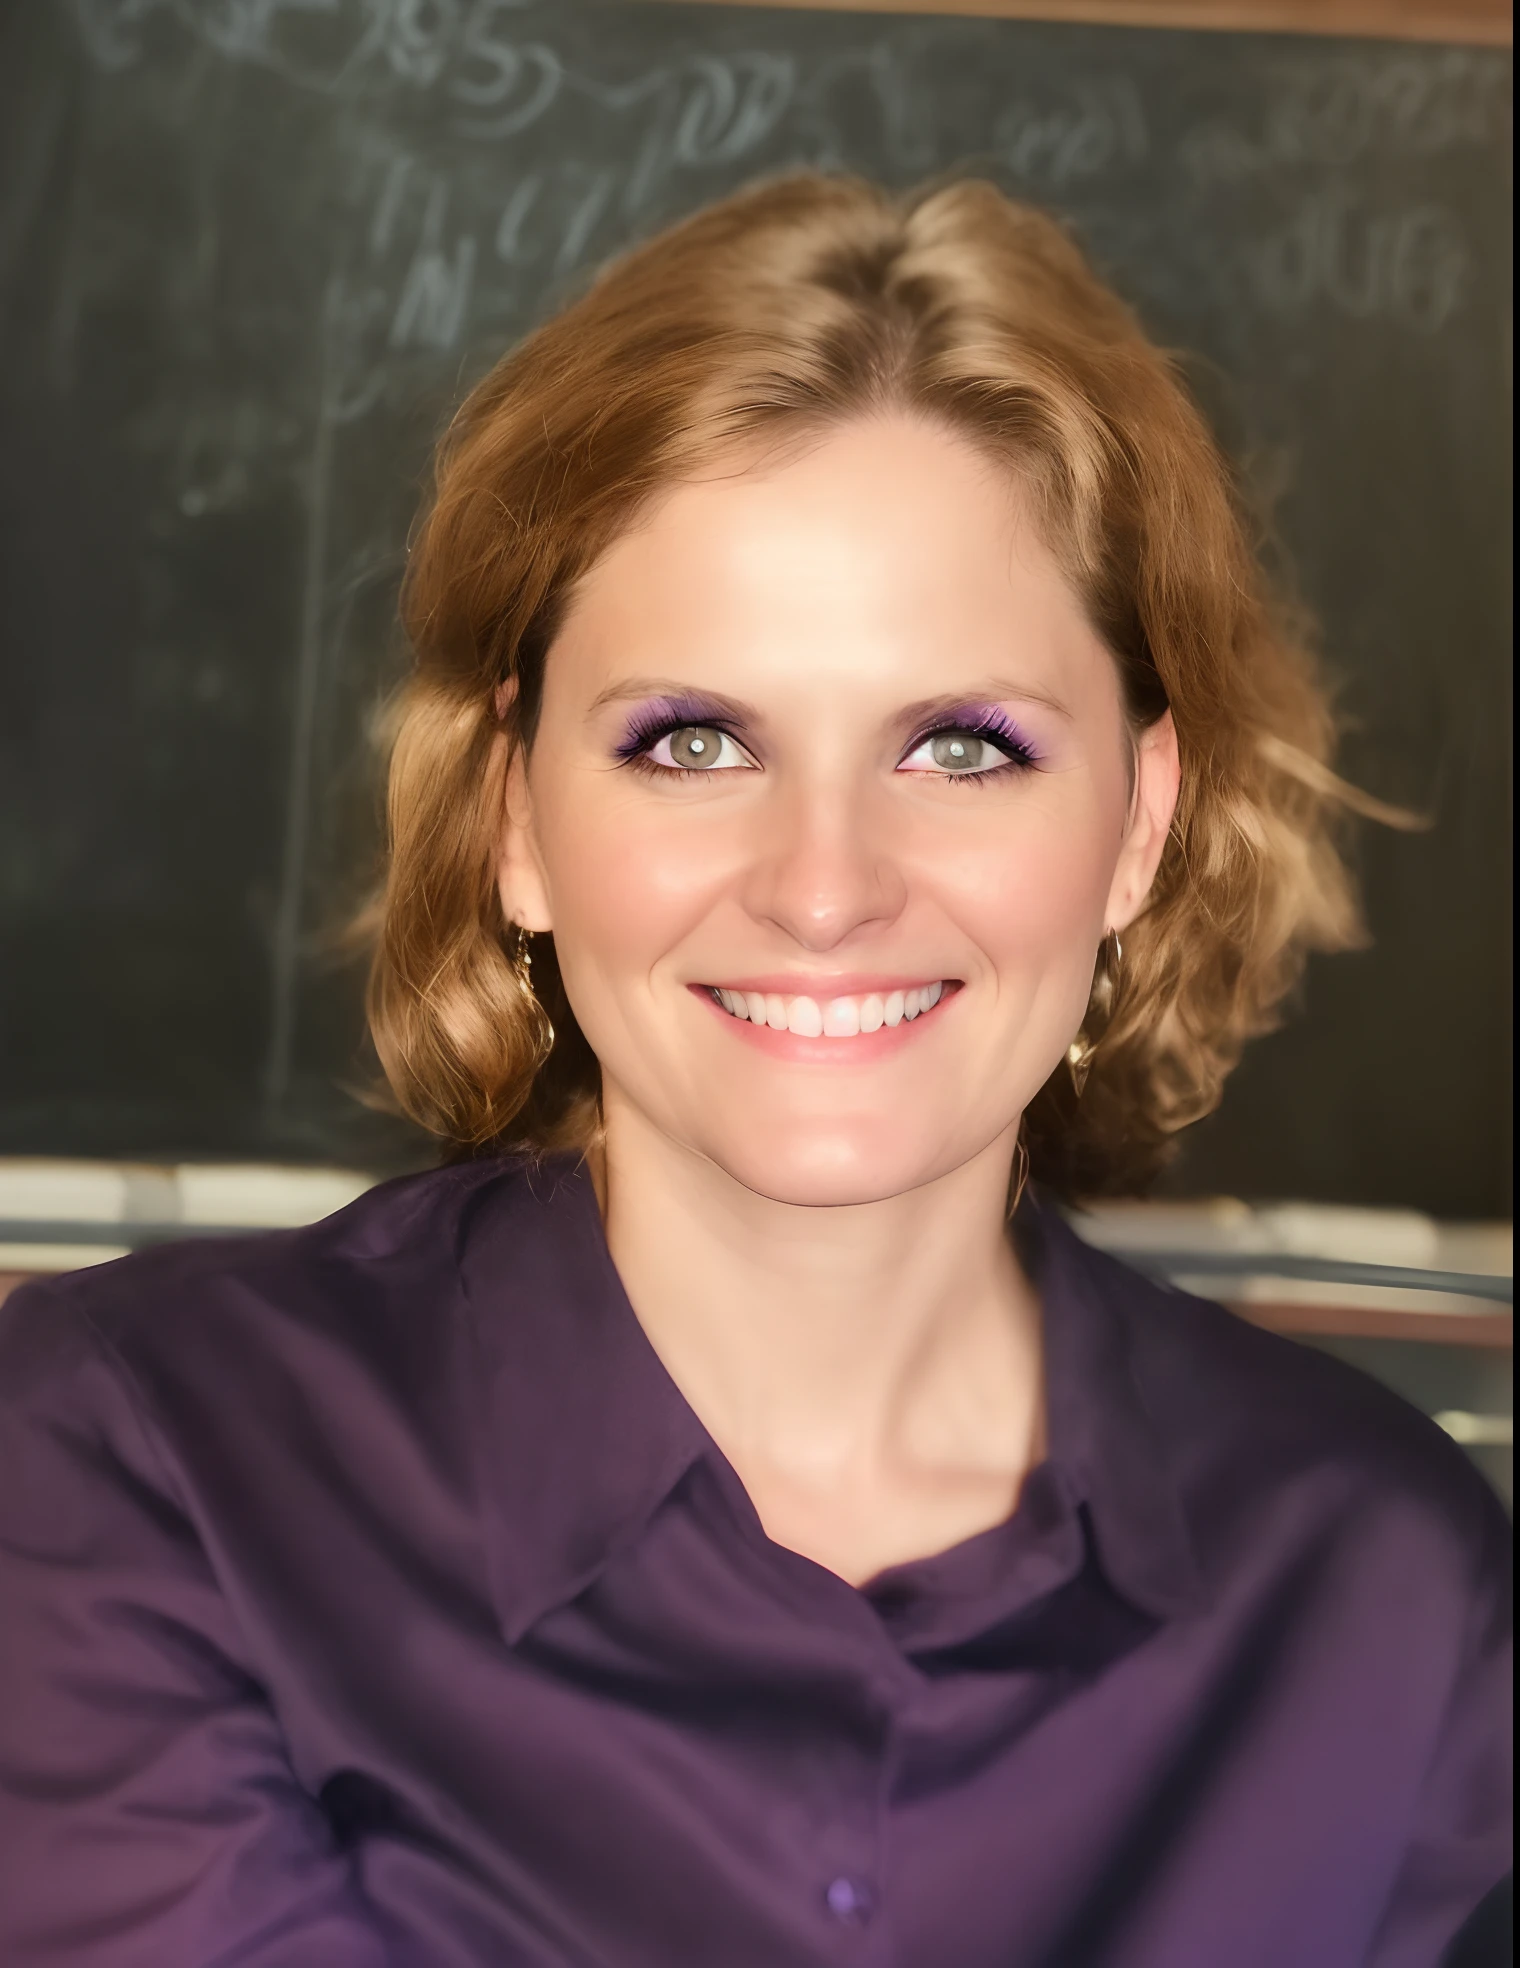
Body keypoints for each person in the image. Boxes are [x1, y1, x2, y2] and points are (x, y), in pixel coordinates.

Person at [0, 176, 1508, 1968]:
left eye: (961, 746)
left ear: (1138, 824)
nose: (822, 886)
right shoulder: (125, 1466)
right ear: (517, 821)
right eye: (694, 739)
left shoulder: (1389, 1587)